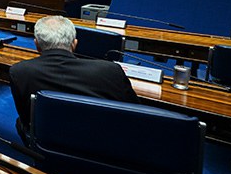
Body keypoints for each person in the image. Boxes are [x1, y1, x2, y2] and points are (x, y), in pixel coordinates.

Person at [8, 15, 138, 142]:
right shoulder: (110, 71)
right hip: (105, 146)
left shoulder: (19, 71)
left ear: (36, 44)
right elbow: (135, 114)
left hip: (48, 145)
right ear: (74, 43)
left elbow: (26, 118)